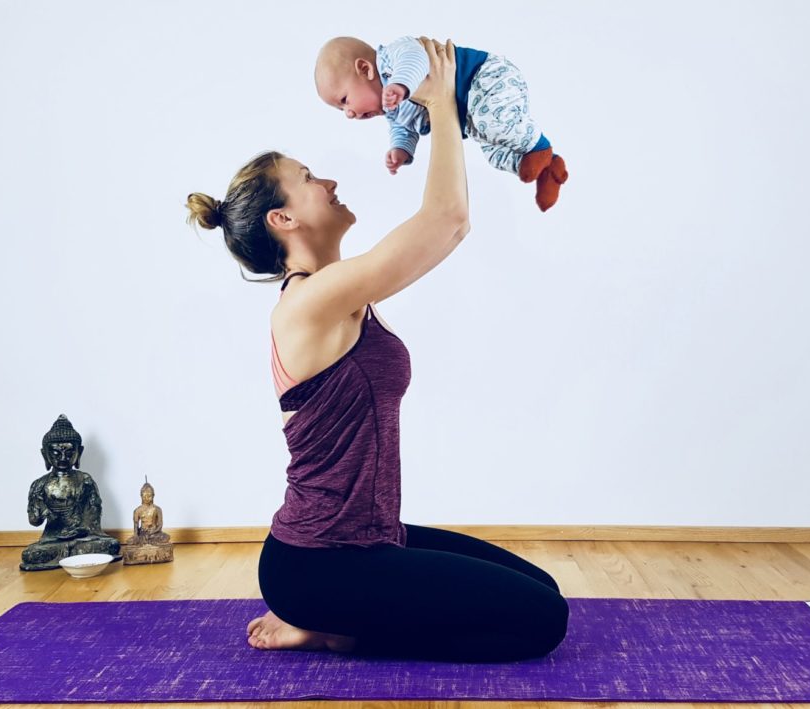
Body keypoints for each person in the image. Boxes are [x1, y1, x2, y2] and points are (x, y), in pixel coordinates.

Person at [185, 38, 568, 663]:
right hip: (321, 563)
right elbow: (448, 220)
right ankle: (338, 629)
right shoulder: (309, 302)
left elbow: (445, 224)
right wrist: (441, 103)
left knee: (541, 589)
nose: (329, 179)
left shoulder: (341, 293)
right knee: (542, 622)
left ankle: (333, 621)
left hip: (369, 539)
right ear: (283, 221)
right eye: (308, 180)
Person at [314, 35, 569, 212]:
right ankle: (546, 167)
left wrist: (402, 84)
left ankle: (539, 145)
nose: (348, 113)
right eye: (340, 110)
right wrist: (401, 150)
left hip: (485, 78)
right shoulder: (393, 110)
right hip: (472, 114)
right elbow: (405, 128)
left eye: (345, 100)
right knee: (493, 152)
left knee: (494, 125)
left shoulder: (392, 58)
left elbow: (416, 59)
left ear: (365, 69)